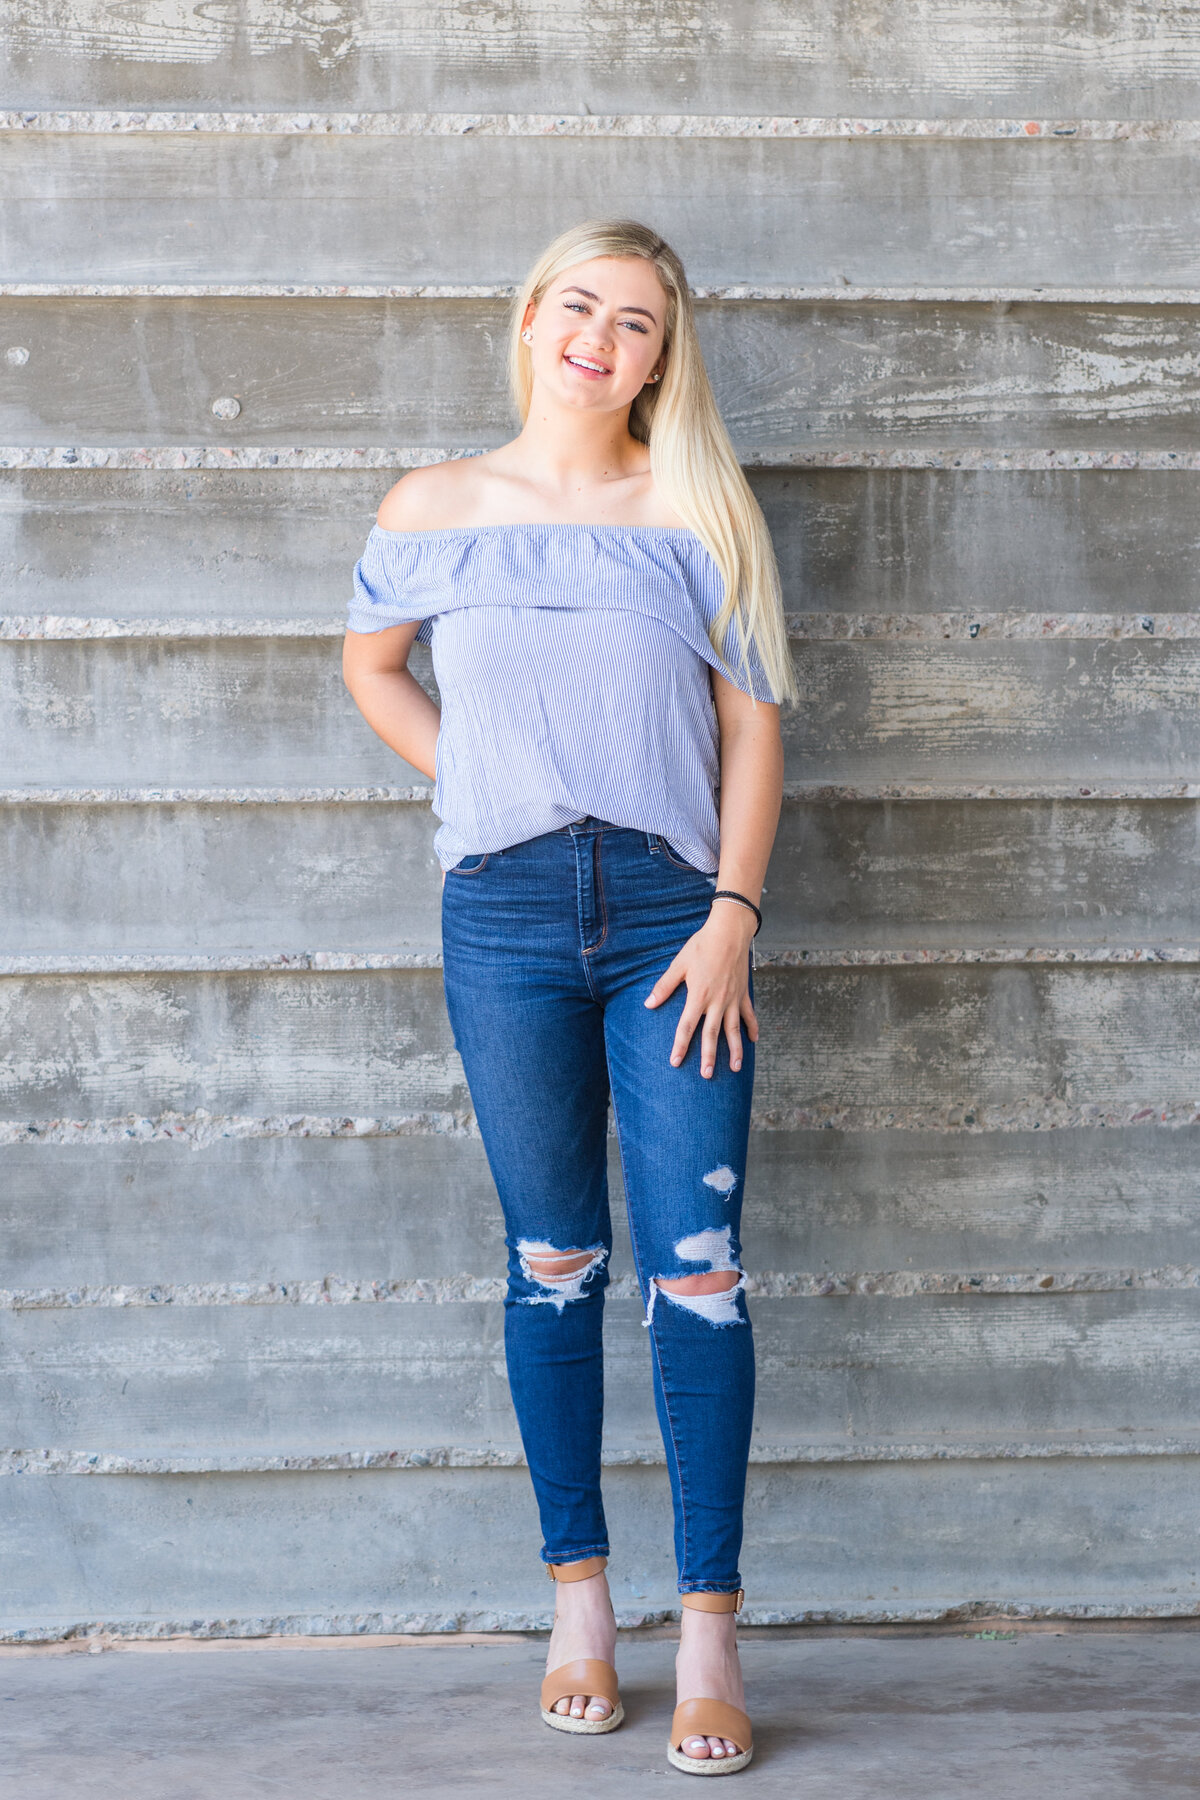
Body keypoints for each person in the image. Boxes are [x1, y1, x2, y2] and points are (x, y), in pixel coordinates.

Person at [344, 218, 795, 1776]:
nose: (602, 338)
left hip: (680, 919)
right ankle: (582, 1608)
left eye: (640, 323)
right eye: (580, 307)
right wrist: (474, 781)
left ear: (665, 355)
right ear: (532, 317)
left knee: (700, 1269)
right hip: (508, 915)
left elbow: (750, 734)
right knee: (552, 1262)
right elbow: (375, 671)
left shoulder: (698, 509)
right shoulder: (432, 506)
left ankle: (715, 1632)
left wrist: (734, 912)